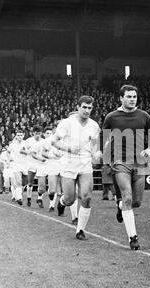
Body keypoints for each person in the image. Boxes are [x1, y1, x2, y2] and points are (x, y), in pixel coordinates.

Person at [101, 84, 150, 250]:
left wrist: (149, 149)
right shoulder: (111, 117)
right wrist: (103, 156)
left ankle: (120, 207)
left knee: (136, 202)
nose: (132, 99)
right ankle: (133, 238)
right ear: (121, 98)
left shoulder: (144, 116)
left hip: (139, 162)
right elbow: (103, 139)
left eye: (134, 97)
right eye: (129, 96)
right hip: (120, 162)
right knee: (127, 197)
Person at [52, 95, 102, 240]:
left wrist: (96, 153)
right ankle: (61, 203)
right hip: (69, 163)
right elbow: (54, 142)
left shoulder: (94, 126)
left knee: (86, 197)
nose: (87, 110)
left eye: (89, 108)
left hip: (85, 163)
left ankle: (80, 230)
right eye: (84, 107)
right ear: (78, 107)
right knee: (70, 199)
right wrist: (68, 148)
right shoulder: (67, 123)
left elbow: (94, 145)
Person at [22, 126, 47, 207]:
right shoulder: (28, 141)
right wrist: (29, 152)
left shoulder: (44, 141)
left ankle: (39, 199)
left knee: (42, 184)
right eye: (36, 134)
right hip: (31, 163)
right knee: (30, 183)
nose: (38, 135)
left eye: (39, 134)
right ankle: (29, 198)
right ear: (33, 133)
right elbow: (22, 150)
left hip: (41, 164)